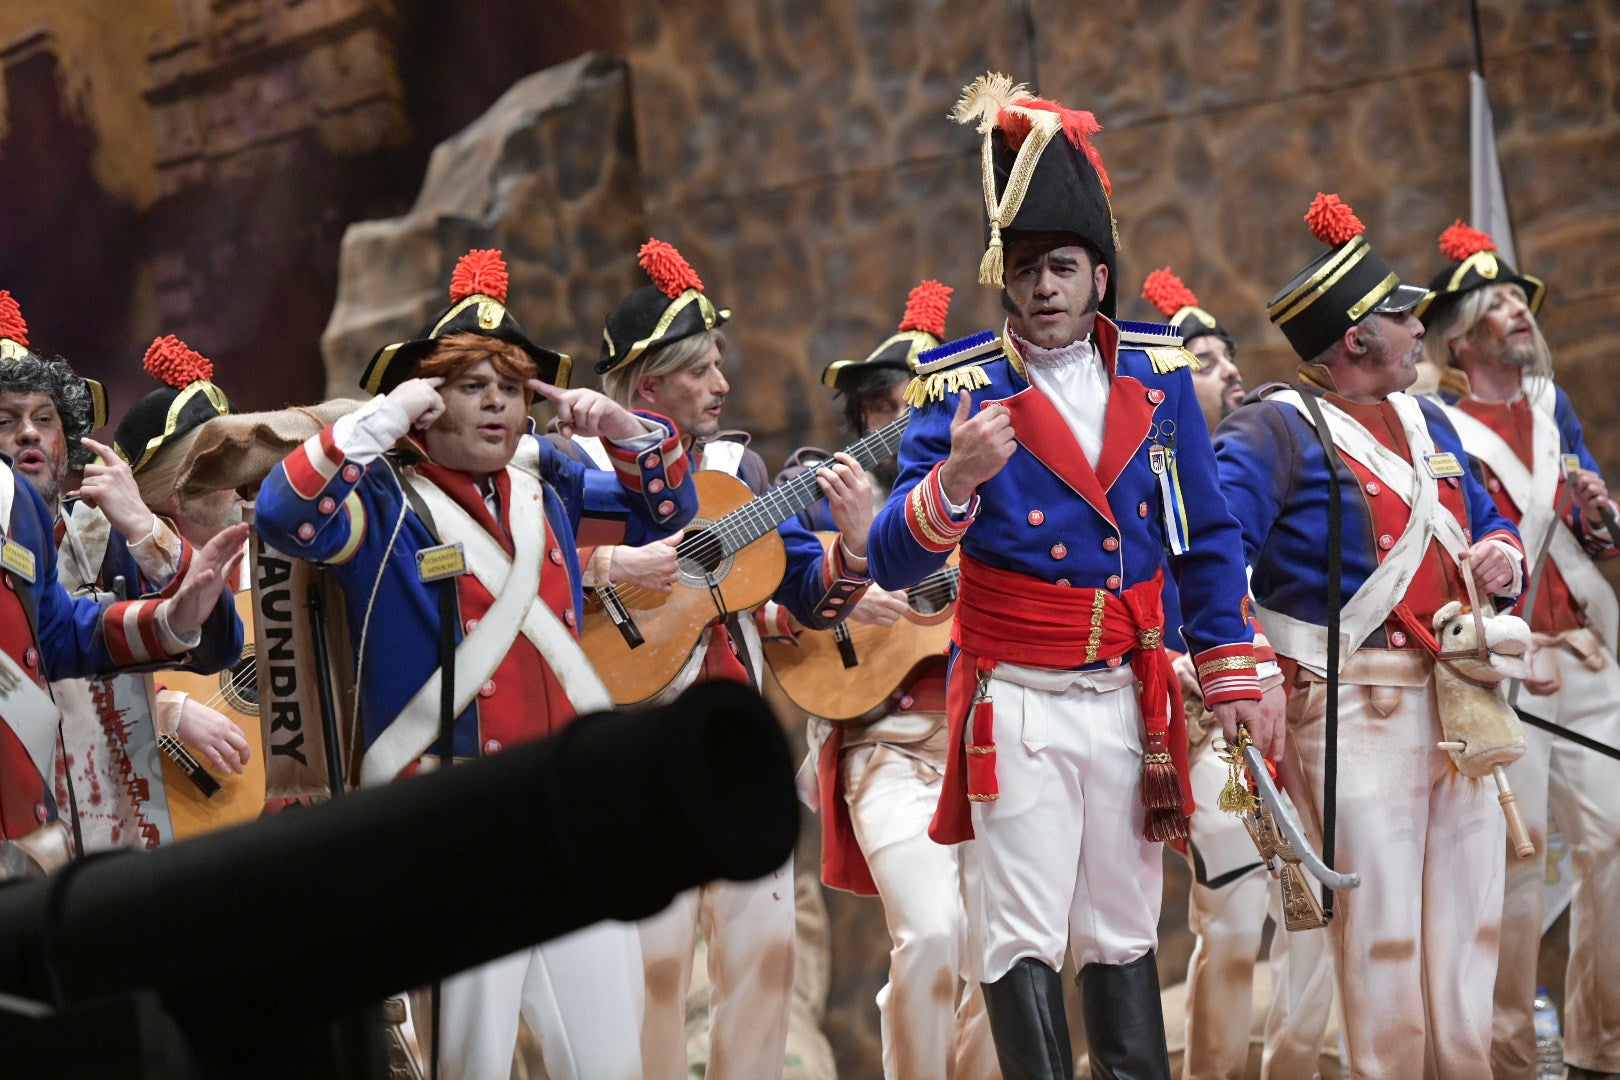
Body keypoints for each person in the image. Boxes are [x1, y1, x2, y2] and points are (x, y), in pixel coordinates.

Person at [866, 75, 1273, 1080]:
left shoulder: (1159, 377)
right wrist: (956, 479)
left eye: (1060, 266)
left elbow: (1204, 538)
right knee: (1018, 937)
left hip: (1130, 698)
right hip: (1020, 700)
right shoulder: (959, 388)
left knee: (1125, 929)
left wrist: (1227, 665)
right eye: (1023, 269)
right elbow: (890, 556)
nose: (1041, 287)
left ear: (1099, 273)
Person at [256, 248, 695, 1080]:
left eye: (511, 384)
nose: (497, 401)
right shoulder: (381, 503)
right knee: (475, 1064)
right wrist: (378, 421)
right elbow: (284, 516)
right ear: (424, 404)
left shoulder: (548, 482)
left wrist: (626, 431)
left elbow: (670, 506)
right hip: (457, 825)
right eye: (469, 385)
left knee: (610, 1065)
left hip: (568, 808)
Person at [1212, 194, 1526, 1076]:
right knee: (1384, 946)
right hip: (1357, 706)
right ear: (1355, 339)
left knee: (1471, 935)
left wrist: (1502, 556)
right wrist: (1251, 669)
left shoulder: (1431, 421)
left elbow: (1486, 517)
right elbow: (1212, 553)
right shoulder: (1273, 424)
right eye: (1401, 318)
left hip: (1459, 701)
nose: (1418, 329)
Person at [556, 237, 876, 1080]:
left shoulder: (741, 468)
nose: (723, 386)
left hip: (733, 740)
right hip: (632, 741)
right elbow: (541, 589)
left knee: (766, 956)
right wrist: (606, 571)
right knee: (652, 975)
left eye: (721, 367)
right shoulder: (573, 471)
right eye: (701, 370)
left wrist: (850, 548)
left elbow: (806, 593)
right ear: (650, 384)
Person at [1415, 220, 1620, 1080]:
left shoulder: (1551, 406)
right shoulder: (1442, 425)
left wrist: (1597, 511)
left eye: (1518, 298)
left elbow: (1577, 526)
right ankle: (1503, 1061)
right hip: (1510, 668)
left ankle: (1599, 1047)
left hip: (1584, 651)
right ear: (1461, 338)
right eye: (1497, 301)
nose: (1517, 310)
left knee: (1615, 848)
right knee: (1516, 870)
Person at [791, 280, 996, 1080]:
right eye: (883, 407)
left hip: (986, 743)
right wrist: (854, 559)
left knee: (1002, 951)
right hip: (885, 745)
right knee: (932, 931)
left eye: (918, 405)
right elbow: (787, 619)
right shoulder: (819, 496)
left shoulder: (993, 497)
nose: (901, 422)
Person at [1141, 267, 1335, 1080]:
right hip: (1199, 722)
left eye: (1227, 357)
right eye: (1208, 361)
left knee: (1320, 912)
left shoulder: (1270, 466)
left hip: (1290, 713)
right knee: (1233, 904)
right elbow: (1140, 601)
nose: (1231, 372)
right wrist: (1189, 663)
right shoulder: (1153, 485)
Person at [0, 289, 246, 859]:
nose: (30, 433)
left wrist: (146, 535)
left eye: (45, 419)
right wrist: (166, 706)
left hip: (117, 832)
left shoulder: (107, 534)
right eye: (7, 420)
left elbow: (218, 646)